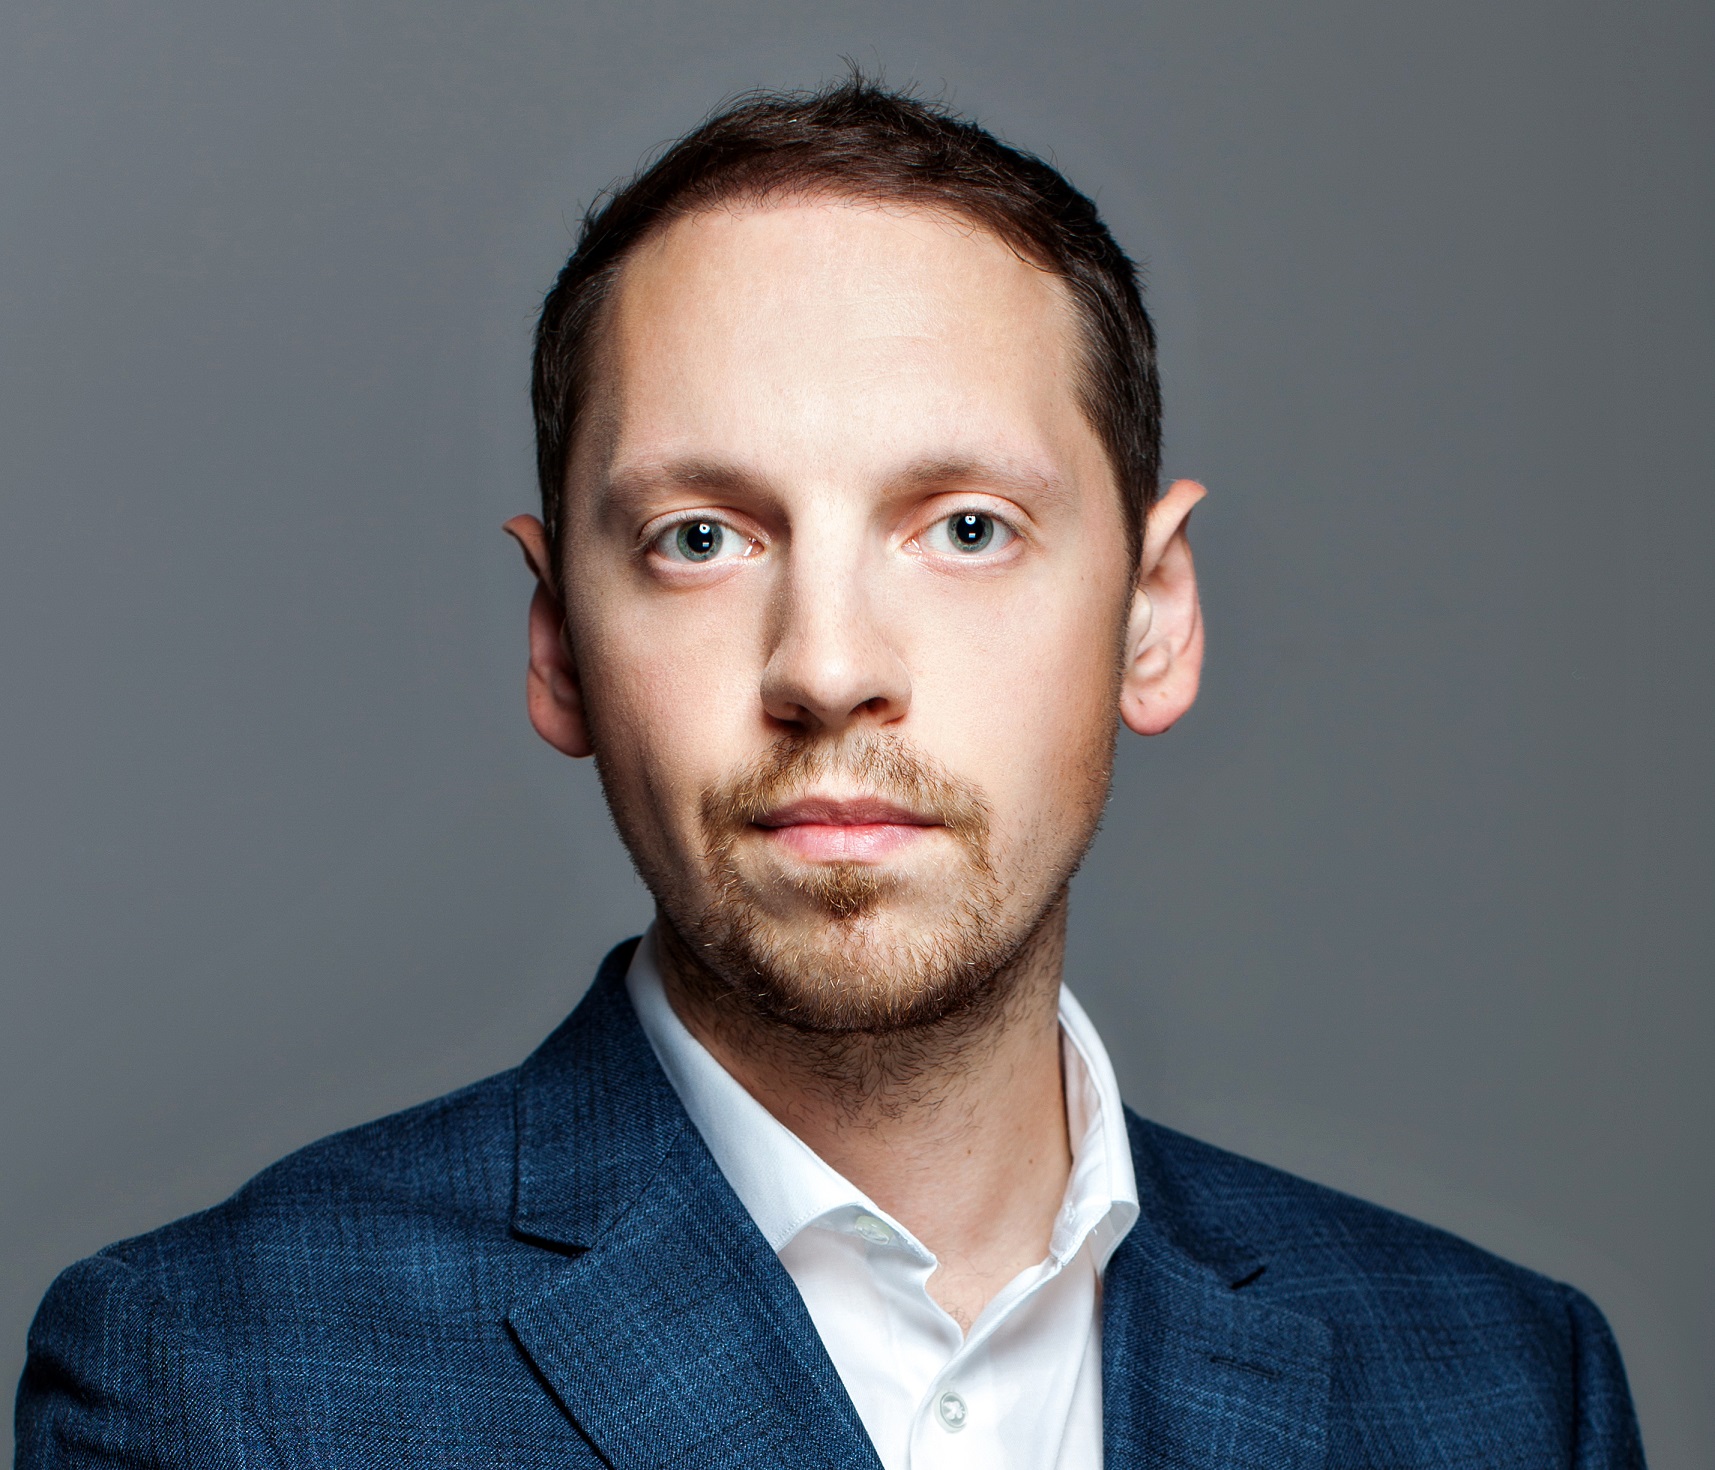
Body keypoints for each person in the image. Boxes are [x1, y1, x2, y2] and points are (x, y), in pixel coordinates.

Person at [16, 79, 1644, 1469]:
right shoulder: (215, 1382)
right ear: (561, 643)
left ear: (1152, 618)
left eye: (965, 528)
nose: (828, 663)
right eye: (701, 538)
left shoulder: (1511, 1391)